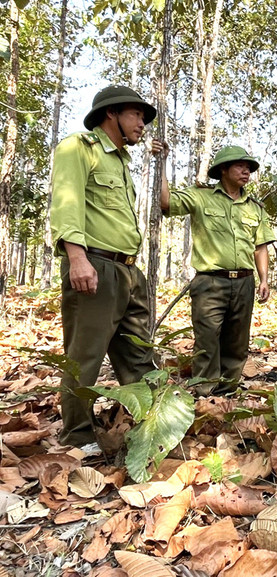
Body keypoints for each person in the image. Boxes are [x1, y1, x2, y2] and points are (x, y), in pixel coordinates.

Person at [51, 85, 165, 448]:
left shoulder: (122, 162)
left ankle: (155, 427)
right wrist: (77, 258)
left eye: (144, 118)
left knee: (138, 354)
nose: (142, 124)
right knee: (85, 356)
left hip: (128, 271)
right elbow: (67, 203)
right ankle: (77, 437)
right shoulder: (79, 148)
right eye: (136, 115)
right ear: (111, 113)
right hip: (95, 265)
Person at [161, 146, 276, 392]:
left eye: (249, 167)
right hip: (210, 283)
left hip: (244, 282)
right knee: (207, 341)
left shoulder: (255, 207)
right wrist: (161, 162)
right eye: (240, 166)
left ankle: (227, 394)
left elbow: (260, 247)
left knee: (237, 344)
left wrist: (264, 279)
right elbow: (166, 202)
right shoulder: (201, 196)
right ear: (223, 169)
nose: (246, 171)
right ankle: (205, 394)